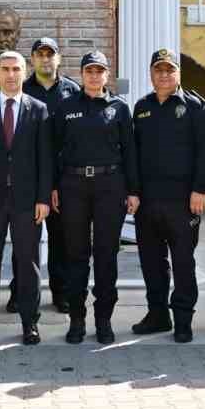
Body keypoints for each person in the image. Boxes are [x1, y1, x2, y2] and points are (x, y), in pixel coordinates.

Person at [50, 50, 138, 344]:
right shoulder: (65, 106)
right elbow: (53, 151)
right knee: (75, 255)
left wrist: (133, 191)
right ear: (82, 74)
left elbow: (130, 153)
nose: (94, 75)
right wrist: (52, 187)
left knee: (105, 255)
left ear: (106, 74)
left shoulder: (119, 108)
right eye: (89, 70)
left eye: (99, 70)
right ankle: (76, 320)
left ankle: (103, 320)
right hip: (73, 186)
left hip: (109, 186)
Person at [0, 50, 53, 345]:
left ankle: (30, 322)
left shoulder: (38, 109)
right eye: (6, 69)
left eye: (16, 69)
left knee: (27, 263)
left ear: (24, 72)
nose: (11, 74)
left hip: (28, 202)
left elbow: (45, 159)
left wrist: (43, 198)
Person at [130, 48, 205, 342]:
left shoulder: (194, 107)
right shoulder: (141, 107)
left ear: (178, 73)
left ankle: (182, 319)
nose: (164, 75)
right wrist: (133, 192)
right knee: (152, 261)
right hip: (148, 202)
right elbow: (133, 155)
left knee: (182, 261)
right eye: (158, 70)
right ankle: (158, 314)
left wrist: (199, 189)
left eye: (169, 69)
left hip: (183, 201)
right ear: (151, 74)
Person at [23, 36, 80, 313]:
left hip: (62, 178)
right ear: (32, 59)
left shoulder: (72, 91)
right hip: (28, 175)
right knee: (24, 239)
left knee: (62, 239)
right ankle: (21, 292)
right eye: (40, 54)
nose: (45, 59)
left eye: (50, 54)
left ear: (58, 58)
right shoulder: (21, 90)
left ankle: (62, 292)